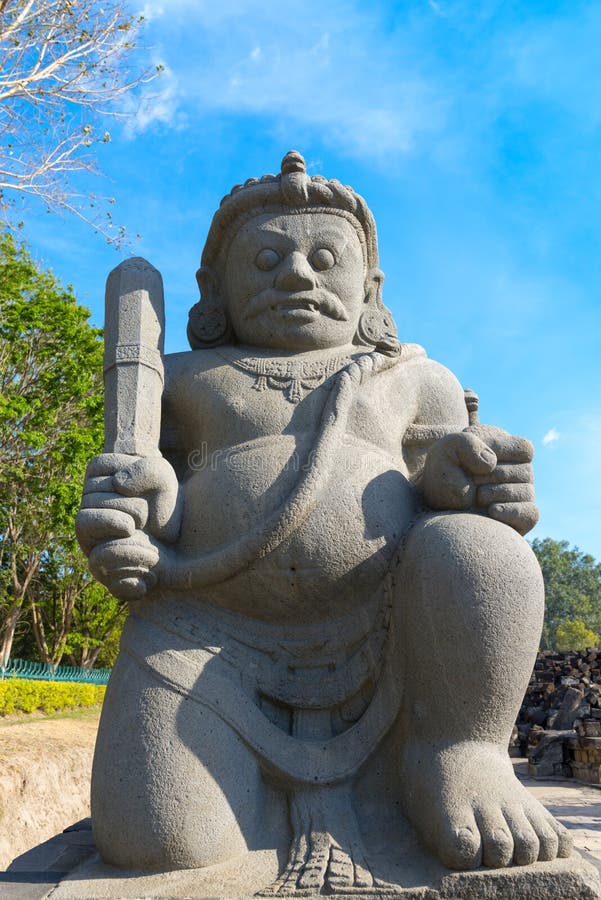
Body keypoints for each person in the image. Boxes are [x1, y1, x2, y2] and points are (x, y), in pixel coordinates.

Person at [76, 151, 571, 892]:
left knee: (477, 547)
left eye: (324, 259)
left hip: (388, 632)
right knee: (158, 841)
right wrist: (133, 516)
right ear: (213, 291)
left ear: (370, 288)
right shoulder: (177, 381)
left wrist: (468, 479)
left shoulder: (413, 378)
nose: (295, 276)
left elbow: (436, 481)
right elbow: (154, 493)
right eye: (265, 260)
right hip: (205, 633)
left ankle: (459, 752)